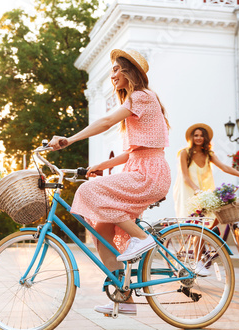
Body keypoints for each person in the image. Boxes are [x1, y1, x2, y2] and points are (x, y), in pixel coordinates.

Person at [49, 49, 171, 315]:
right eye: (112, 70)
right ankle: (124, 298)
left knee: (89, 190)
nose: (112, 74)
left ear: (130, 71)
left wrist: (68, 140)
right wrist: (101, 166)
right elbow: (133, 152)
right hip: (141, 167)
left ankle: (142, 238)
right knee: (102, 230)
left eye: (117, 69)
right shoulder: (139, 102)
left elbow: (104, 122)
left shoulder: (141, 96)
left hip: (149, 174)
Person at [172, 123, 239, 220]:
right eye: (196, 135)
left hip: (204, 191)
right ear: (192, 137)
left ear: (206, 138)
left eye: (202, 135)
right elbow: (185, 177)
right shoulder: (185, 153)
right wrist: (196, 190)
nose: (199, 138)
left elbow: (224, 167)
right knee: (190, 219)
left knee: (212, 218)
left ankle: (200, 236)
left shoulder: (208, 154)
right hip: (187, 190)